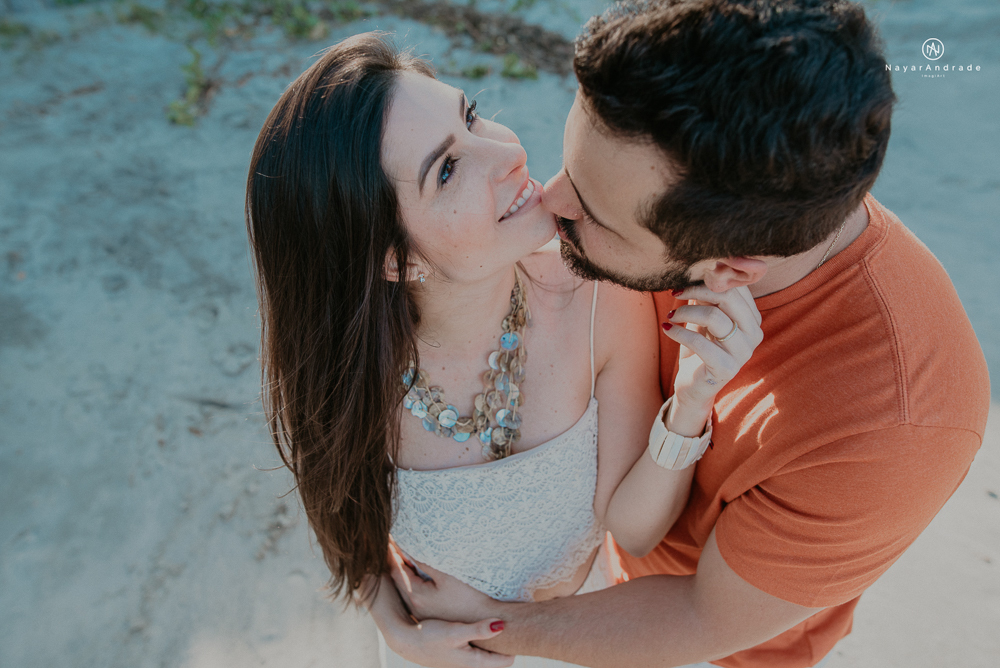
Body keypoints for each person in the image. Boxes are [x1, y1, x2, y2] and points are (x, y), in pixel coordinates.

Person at [389, 1, 991, 667]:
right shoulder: (668, 195)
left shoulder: (896, 427)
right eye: (573, 166)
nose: (549, 203)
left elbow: (701, 618)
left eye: (590, 213)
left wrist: (482, 631)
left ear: (729, 270)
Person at [244, 30, 766, 668]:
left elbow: (634, 529)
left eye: (470, 116)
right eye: (449, 168)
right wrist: (395, 626)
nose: (506, 152)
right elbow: (343, 523)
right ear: (394, 260)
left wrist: (691, 403)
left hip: (574, 645)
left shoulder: (600, 299)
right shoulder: (352, 367)